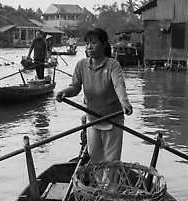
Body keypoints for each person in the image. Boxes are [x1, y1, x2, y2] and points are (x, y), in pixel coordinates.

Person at [56, 28, 133, 163]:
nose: (89, 47)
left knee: (111, 161)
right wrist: (65, 93)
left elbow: (119, 85)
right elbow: (75, 87)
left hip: (112, 119)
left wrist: (124, 102)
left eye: (93, 43)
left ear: (103, 45)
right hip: (93, 118)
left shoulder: (112, 65)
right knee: (94, 157)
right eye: (87, 43)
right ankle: (97, 183)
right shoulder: (81, 65)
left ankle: (110, 184)